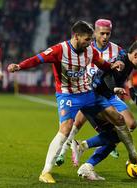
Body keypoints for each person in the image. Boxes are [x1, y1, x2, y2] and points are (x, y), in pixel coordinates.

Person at [7, 20, 130, 184]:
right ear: (76, 36)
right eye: (87, 39)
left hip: (88, 94)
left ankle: (129, 154)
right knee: (65, 129)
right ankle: (46, 172)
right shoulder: (59, 50)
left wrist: (112, 66)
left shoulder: (90, 50)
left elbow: (101, 63)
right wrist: (19, 66)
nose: (89, 43)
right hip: (67, 96)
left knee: (119, 120)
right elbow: (37, 59)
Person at [74, 35, 137, 180]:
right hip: (94, 99)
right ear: (135, 55)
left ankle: (84, 153)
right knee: (116, 136)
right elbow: (108, 76)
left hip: (106, 96)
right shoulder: (121, 61)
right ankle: (84, 153)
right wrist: (115, 88)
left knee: (128, 127)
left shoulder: (130, 56)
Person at [55, 19, 127, 166]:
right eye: (102, 33)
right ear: (94, 33)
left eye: (108, 34)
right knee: (76, 123)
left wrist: (129, 86)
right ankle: (63, 151)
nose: (105, 37)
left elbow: (131, 60)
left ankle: (105, 144)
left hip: (108, 94)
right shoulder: (86, 47)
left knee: (128, 124)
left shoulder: (117, 50)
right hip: (87, 92)